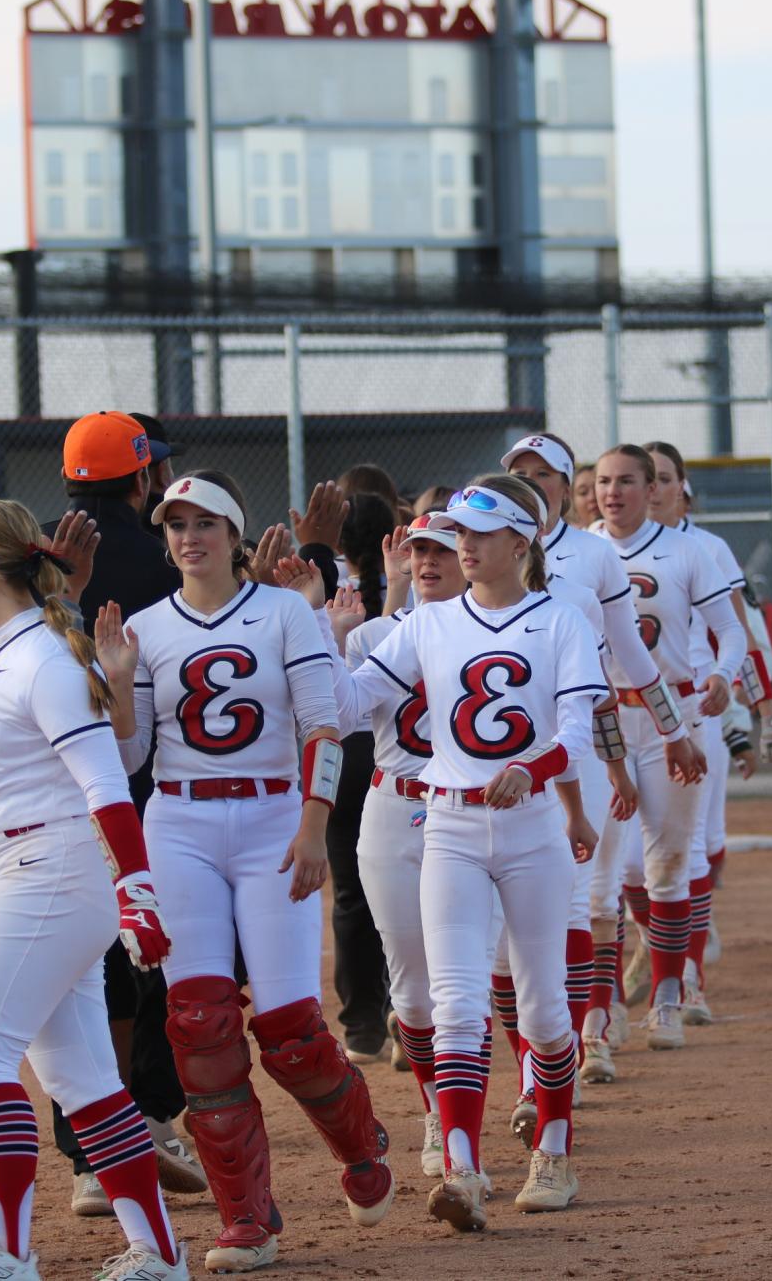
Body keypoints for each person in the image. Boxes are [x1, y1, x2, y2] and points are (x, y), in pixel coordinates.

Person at [0, 500, 187, 1281]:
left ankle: (9, 1253)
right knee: (81, 1079)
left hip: (49, 871)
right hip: (13, 868)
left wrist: (139, 892)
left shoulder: (47, 660)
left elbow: (106, 785)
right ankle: (157, 1253)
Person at [121, 470, 393, 1274]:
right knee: (198, 1025)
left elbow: (323, 724)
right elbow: (132, 755)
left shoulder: (280, 611)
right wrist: (114, 683)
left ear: (236, 535)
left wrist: (314, 828)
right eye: (175, 525)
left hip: (275, 815)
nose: (189, 537)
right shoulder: (144, 627)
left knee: (290, 1032)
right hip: (179, 819)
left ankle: (359, 1142)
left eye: (206, 523)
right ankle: (247, 1217)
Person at [324, 476, 605, 1228]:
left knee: (545, 1008)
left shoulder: (560, 620)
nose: (464, 546)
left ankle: (552, 1149)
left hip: (532, 826)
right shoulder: (428, 623)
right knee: (455, 1004)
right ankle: (462, 1170)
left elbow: (575, 731)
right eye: (458, 534)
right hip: (447, 823)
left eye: (479, 535)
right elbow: (353, 703)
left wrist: (533, 769)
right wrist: (315, 641)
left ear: (522, 543)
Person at [48, 412, 206, 1215]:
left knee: (82, 963)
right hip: (147, 784)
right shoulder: (162, 557)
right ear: (142, 481)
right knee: (154, 957)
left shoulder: (35, 552)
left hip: (47, 789)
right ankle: (141, 1114)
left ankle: (85, 1148)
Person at [501, 433, 695, 1082]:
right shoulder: (480, 551)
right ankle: (543, 1048)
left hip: (583, 740)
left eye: (542, 474)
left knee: (591, 894)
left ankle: (595, 1023)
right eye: (518, 473)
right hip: (500, 758)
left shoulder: (589, 555)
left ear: (564, 484)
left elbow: (631, 657)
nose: (530, 483)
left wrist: (671, 729)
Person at [590, 444, 748, 1050]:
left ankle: (669, 996)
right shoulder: (579, 551)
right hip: (605, 719)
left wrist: (723, 678)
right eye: (604, 481)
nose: (615, 492)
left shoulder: (687, 551)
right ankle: (603, 1012)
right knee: (611, 868)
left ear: (653, 488)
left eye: (629, 480)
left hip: (674, 716)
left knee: (670, 860)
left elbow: (730, 630)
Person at [336, 515, 471, 1177]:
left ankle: (492, 1115)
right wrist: (327, 636)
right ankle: (433, 1113)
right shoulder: (373, 634)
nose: (427, 559)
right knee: (411, 994)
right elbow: (339, 711)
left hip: (469, 813)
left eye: (442, 548)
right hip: (392, 806)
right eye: (416, 548)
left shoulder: (497, 630)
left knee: (472, 985)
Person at [643, 442, 772, 1014]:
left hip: (696, 706)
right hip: (624, 718)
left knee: (697, 845)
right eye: (641, 478)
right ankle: (664, 951)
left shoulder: (706, 548)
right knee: (632, 864)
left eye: (660, 478)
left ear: (683, 486)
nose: (650, 490)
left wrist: (761, 713)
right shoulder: (603, 547)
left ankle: (688, 973)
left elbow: (743, 634)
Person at [327, 492, 399, 1066]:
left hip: (340, 750)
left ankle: (362, 1026)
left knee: (352, 891)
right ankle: (406, 1007)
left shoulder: (320, 579)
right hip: (393, 754)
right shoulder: (409, 595)